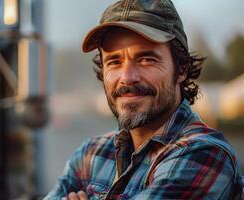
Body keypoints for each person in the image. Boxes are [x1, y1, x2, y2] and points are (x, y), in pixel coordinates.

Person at [44, 0, 244, 199]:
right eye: (114, 62)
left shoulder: (204, 154)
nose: (127, 77)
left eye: (146, 59)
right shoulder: (91, 155)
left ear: (181, 67)